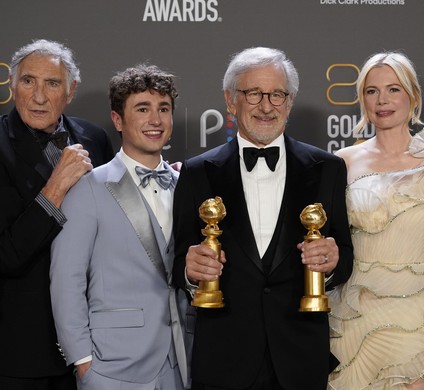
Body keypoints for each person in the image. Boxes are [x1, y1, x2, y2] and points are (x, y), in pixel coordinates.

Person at [172, 46, 353, 390]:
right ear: (230, 100)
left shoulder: (328, 168)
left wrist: (333, 261)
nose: (267, 106)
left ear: (290, 102)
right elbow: (180, 262)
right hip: (224, 359)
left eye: (277, 94)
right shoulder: (197, 173)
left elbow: (344, 254)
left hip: (300, 358)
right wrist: (190, 270)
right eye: (254, 93)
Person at [327, 51, 424, 390]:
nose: (383, 100)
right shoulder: (341, 163)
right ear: (362, 99)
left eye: (394, 89)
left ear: (413, 96)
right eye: (372, 91)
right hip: (355, 317)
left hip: (418, 317)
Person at [49, 64, 194, 390]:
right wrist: (83, 361)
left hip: (181, 362)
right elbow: (66, 281)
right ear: (118, 120)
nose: (155, 120)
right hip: (111, 367)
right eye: (143, 109)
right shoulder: (88, 188)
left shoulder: (188, 186)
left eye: (163, 109)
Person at [0, 39, 114, 389]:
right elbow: (6, 256)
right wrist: (55, 187)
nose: (38, 96)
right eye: (28, 81)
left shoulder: (94, 138)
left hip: (93, 343)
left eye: (52, 84)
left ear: (70, 90)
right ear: (12, 86)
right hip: (20, 351)